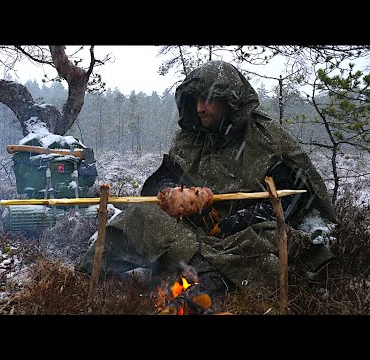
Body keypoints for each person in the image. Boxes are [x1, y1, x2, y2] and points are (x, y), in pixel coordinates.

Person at [77, 60, 336, 298]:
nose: (200, 108)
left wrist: (234, 223)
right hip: (194, 230)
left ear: (230, 102)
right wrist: (171, 193)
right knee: (139, 215)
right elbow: (165, 177)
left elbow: (293, 198)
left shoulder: (266, 138)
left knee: (255, 251)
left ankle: (196, 283)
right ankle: (87, 280)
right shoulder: (192, 137)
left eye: (209, 100)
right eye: (197, 100)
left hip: (244, 234)